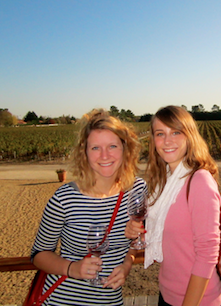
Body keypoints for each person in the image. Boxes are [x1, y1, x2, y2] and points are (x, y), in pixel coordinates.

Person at [31, 109, 147, 305]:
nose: (104, 155)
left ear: (125, 149)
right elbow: (38, 255)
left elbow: (140, 240)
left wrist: (128, 262)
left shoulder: (137, 189)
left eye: (112, 146)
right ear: (84, 152)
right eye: (95, 148)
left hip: (110, 300)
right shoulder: (64, 198)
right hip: (63, 299)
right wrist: (72, 268)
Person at [125, 105, 221, 306]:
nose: (168, 140)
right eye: (160, 133)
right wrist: (138, 232)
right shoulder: (164, 181)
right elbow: (168, 235)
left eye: (176, 132)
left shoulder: (199, 181)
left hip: (198, 301)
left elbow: (207, 254)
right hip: (167, 295)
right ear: (153, 140)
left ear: (189, 136)